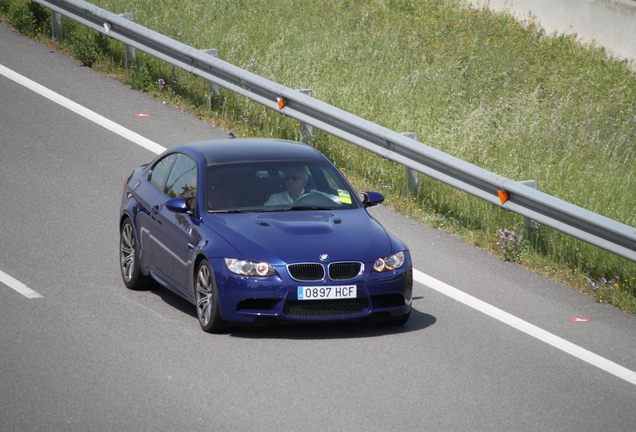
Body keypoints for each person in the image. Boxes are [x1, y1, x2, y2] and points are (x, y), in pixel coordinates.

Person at [264, 167, 340, 206]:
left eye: (294, 178)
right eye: (288, 178)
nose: (289, 181)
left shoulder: (314, 195)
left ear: (304, 182)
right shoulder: (275, 198)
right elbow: (263, 215)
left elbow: (336, 199)